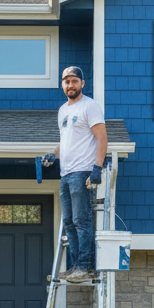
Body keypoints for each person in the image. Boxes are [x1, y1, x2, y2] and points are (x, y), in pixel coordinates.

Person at [41, 66, 107, 283]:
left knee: (81, 220)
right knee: (69, 222)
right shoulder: (63, 110)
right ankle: (76, 266)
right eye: (66, 81)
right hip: (66, 173)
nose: (70, 85)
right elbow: (66, 142)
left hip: (82, 172)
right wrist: (53, 154)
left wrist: (97, 168)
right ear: (63, 84)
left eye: (74, 81)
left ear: (82, 83)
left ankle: (86, 266)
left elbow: (102, 137)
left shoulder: (90, 106)